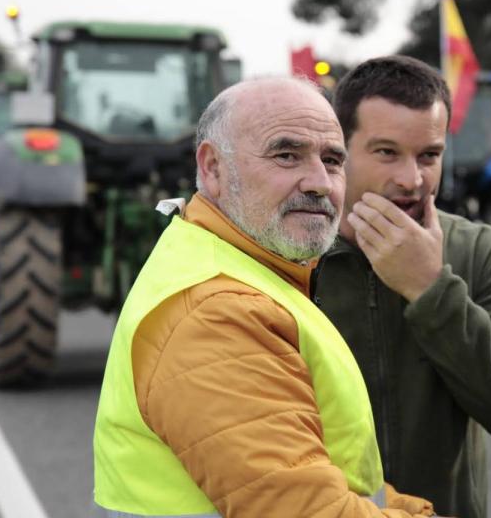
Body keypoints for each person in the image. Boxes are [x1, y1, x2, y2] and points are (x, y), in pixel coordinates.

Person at [93, 77, 438, 518]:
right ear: (214, 168)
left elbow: (333, 475)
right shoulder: (215, 311)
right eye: (286, 155)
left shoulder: (251, 270)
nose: (319, 182)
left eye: (332, 160)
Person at [313, 55, 491, 518]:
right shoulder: (291, 255)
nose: (413, 179)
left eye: (429, 155)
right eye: (387, 153)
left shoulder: (480, 251)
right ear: (340, 152)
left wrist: (429, 288)